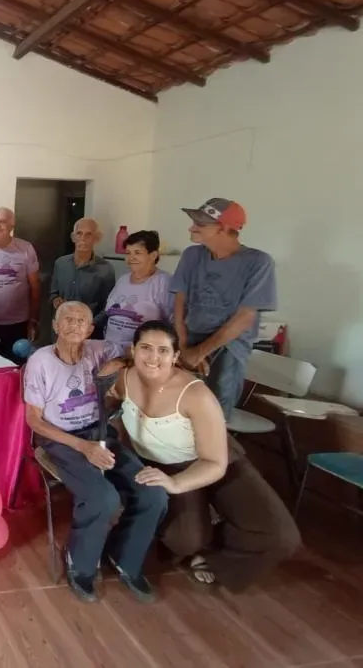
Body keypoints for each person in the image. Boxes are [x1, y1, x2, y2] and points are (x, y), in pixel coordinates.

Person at [103, 320, 300, 590]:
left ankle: (215, 557)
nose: (153, 357)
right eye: (146, 347)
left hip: (214, 460)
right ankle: (197, 540)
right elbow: (104, 403)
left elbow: (215, 462)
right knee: (186, 540)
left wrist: (176, 484)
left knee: (281, 535)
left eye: (163, 350)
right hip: (164, 464)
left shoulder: (196, 395)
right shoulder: (122, 378)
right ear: (133, 350)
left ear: (175, 356)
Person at [23, 301, 166, 603]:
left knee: (154, 492)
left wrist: (121, 363)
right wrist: (82, 446)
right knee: (103, 498)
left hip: (100, 434)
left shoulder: (100, 349)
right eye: (68, 319)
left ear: (90, 329)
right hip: (60, 440)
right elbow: (34, 420)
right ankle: (79, 563)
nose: (75, 324)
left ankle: (124, 556)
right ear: (55, 326)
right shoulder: (40, 361)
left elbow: (139, 351)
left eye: (82, 321)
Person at [171, 199, 277, 423]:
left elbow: (244, 318)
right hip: (188, 340)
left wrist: (200, 352)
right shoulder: (192, 255)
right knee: (176, 409)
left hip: (228, 347)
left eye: (201, 224)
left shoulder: (258, 262)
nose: (191, 228)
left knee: (213, 417)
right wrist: (184, 346)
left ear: (224, 228)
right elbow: (180, 302)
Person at [0, 207, 40, 357]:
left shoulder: (26, 248)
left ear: (12, 226)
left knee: (15, 365)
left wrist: (33, 320)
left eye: (2, 222)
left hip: (17, 324)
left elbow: (35, 287)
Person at [103, 230, 173, 345]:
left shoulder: (163, 281)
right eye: (128, 253)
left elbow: (172, 322)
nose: (131, 258)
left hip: (139, 351)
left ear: (153, 255)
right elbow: (108, 311)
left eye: (137, 253)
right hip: (109, 347)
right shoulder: (123, 279)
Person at [50, 218, 116, 338]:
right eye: (79, 233)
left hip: (89, 334)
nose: (83, 239)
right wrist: (56, 300)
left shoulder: (106, 269)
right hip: (61, 331)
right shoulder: (60, 263)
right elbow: (53, 293)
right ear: (73, 237)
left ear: (97, 238)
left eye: (88, 234)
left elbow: (108, 306)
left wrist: (90, 325)